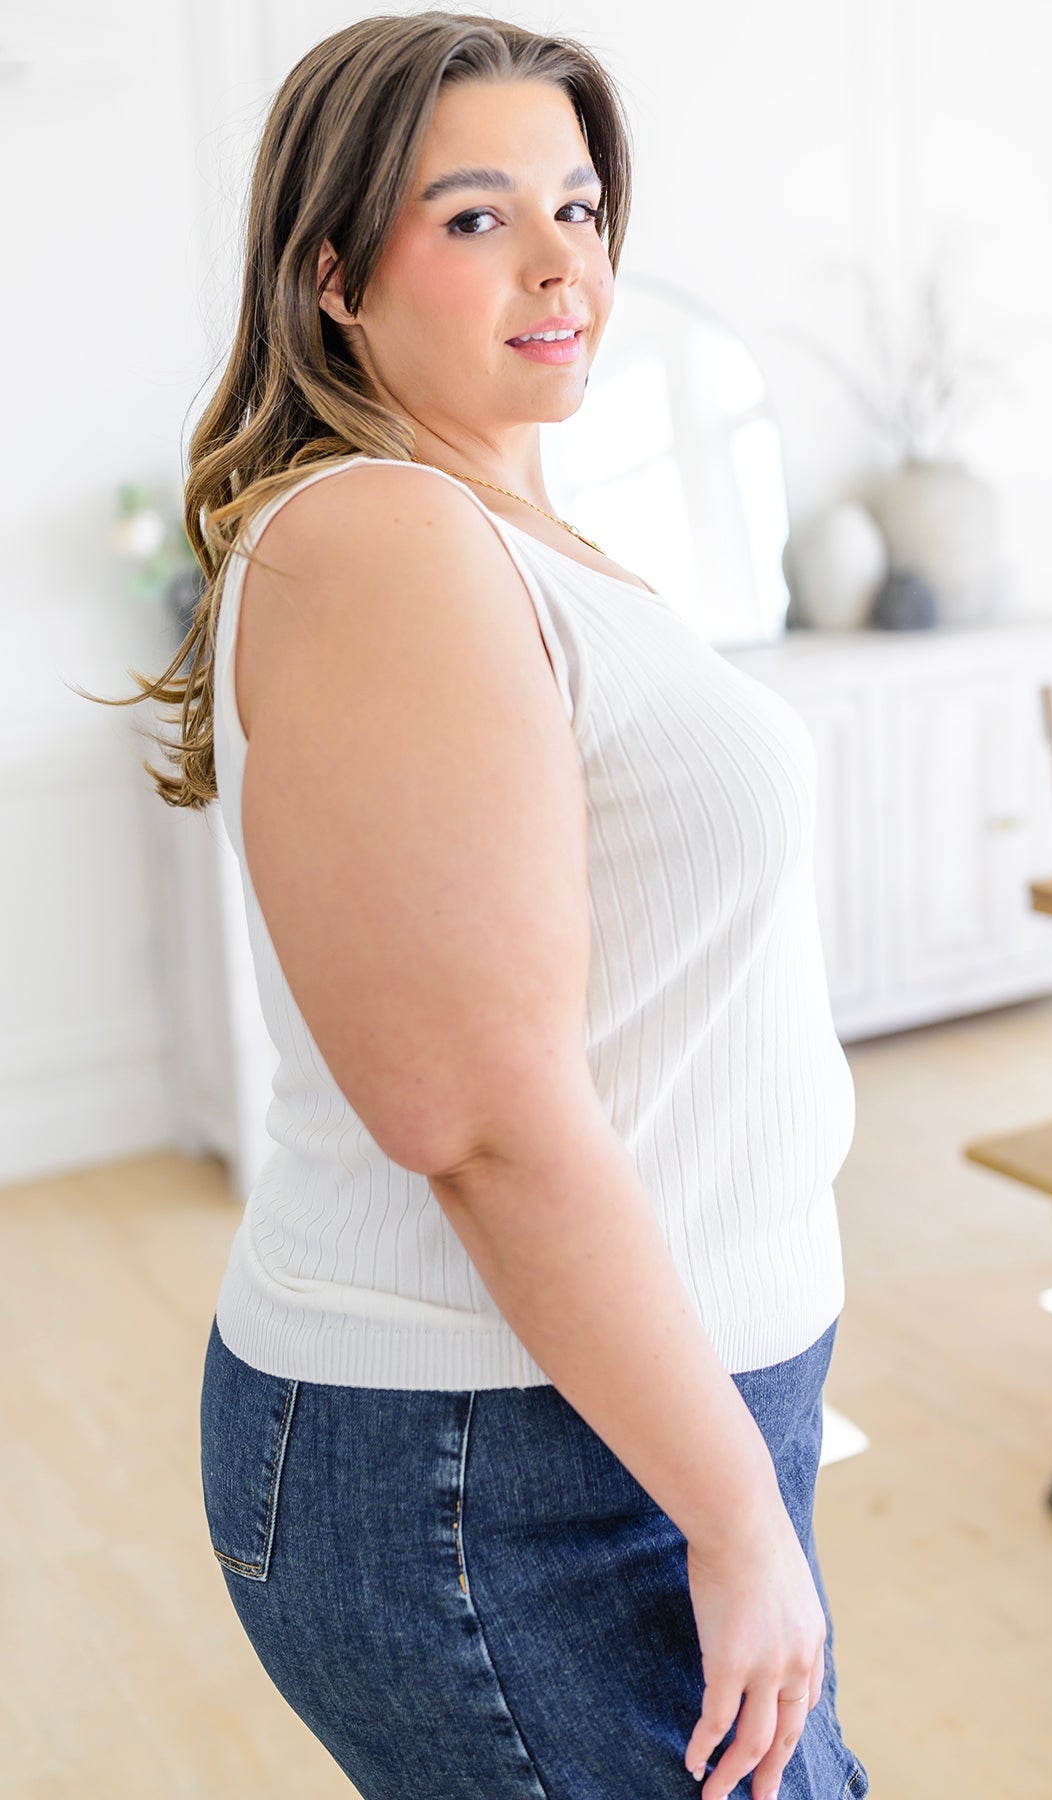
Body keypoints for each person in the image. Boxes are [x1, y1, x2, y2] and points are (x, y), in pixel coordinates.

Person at [94, 11, 871, 1797]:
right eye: (472, 216)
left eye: (577, 206)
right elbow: (481, 1120)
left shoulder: (496, 525)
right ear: (332, 277)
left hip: (607, 1423)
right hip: (502, 1459)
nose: (557, 261)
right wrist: (734, 1517)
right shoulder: (381, 538)